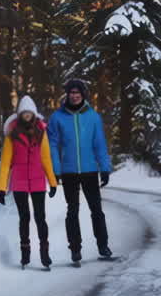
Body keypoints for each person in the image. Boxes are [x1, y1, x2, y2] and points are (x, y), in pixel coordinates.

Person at [47, 78, 113, 266]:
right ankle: (75, 249)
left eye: (77, 93)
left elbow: (99, 144)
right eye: (71, 93)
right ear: (67, 95)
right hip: (68, 171)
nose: (74, 96)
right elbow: (52, 144)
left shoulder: (93, 117)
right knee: (72, 211)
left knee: (96, 210)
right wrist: (56, 169)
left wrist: (105, 167)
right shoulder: (58, 117)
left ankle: (103, 246)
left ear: (83, 95)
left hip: (90, 170)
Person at [0, 96, 58, 269]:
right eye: (24, 113)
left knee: (40, 217)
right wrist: (1, 188)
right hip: (19, 182)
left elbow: (46, 158)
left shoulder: (42, 132)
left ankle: (45, 254)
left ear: (34, 114)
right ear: (20, 114)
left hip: (38, 181)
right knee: (24, 217)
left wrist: (52, 182)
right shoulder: (12, 134)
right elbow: (6, 163)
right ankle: (25, 254)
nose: (27, 115)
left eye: (30, 113)